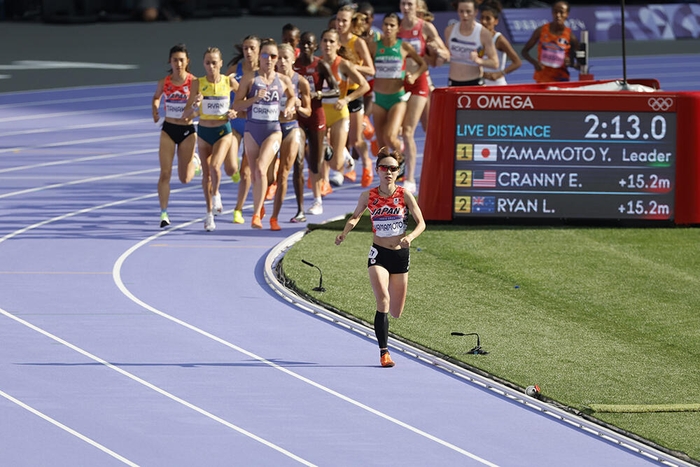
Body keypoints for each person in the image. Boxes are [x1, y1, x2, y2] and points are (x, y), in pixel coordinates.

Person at [335, 148, 426, 368]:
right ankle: (384, 353)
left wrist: (411, 237)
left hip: (400, 255)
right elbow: (355, 216)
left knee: (396, 312)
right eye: (384, 168)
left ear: (398, 172)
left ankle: (386, 333)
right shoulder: (368, 196)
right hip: (378, 254)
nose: (388, 172)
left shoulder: (404, 195)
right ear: (377, 170)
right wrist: (345, 232)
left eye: (393, 168)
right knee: (382, 300)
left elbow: (421, 223)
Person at [234, 39, 297, 229]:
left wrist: (290, 107)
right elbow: (237, 105)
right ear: (259, 57)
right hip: (252, 130)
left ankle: (255, 214)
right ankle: (259, 208)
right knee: (255, 174)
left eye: (273, 56)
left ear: (277, 59)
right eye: (265, 55)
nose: (269, 59)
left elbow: (293, 96)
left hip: (273, 130)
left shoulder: (283, 80)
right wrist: (254, 98)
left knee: (261, 168)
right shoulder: (249, 78)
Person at [182, 47, 237, 232]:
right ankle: (208, 215)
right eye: (207, 63)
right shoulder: (198, 83)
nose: (211, 66)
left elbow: (242, 98)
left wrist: (234, 110)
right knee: (206, 176)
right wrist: (195, 106)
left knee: (215, 166)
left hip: (223, 131)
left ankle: (217, 194)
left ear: (221, 63)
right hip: (204, 132)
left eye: (215, 63)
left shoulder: (229, 81)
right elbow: (186, 114)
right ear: (204, 64)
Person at [398, 0, 449, 195]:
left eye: (410, 4)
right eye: (403, 3)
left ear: (417, 6)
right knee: (405, 131)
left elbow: (444, 57)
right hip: (402, 83)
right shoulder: (396, 26)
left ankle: (438, 169)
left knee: (429, 129)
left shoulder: (425, 27)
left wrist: (437, 50)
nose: (406, 7)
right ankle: (409, 176)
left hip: (421, 81)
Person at [317, 28, 370, 213]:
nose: (328, 44)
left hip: (340, 113)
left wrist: (346, 99)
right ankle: (322, 185)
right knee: (320, 151)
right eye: (325, 41)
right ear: (321, 44)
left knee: (336, 164)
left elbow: (364, 85)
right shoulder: (316, 64)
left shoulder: (344, 64)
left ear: (338, 45)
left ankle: (346, 159)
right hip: (321, 113)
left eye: (332, 41)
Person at [151, 44, 200, 229]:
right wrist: (155, 110)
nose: (178, 63)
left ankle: (195, 162)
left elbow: (199, 108)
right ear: (170, 62)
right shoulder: (164, 82)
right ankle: (164, 213)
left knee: (185, 179)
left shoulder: (194, 82)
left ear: (187, 62)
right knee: (165, 173)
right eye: (175, 60)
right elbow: (156, 97)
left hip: (187, 131)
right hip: (169, 129)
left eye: (181, 60)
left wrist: (193, 113)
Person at [368, 13, 426, 163]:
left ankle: (401, 156)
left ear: (398, 28)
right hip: (378, 99)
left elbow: (423, 64)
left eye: (392, 25)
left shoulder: (404, 46)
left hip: (397, 98)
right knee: (382, 146)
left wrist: (413, 76)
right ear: (382, 26)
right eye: (386, 24)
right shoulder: (374, 46)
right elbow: (365, 65)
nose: (388, 28)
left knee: (390, 136)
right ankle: (389, 177)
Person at [293, 31, 336, 218]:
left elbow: (335, 89)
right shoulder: (293, 65)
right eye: (303, 43)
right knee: (299, 158)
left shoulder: (320, 65)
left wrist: (319, 94)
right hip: (300, 116)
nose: (305, 47)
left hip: (317, 116)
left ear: (315, 46)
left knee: (316, 163)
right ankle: (301, 205)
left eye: (309, 44)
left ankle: (317, 199)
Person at [269, 43, 312, 230]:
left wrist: (298, 107)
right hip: (271, 128)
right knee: (269, 176)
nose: (282, 62)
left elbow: (308, 111)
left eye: (286, 58)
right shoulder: (268, 79)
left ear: (293, 59)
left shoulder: (300, 81)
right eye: (279, 58)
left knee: (287, 172)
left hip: (291, 127)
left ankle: (282, 215)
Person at [336, 5, 376, 188]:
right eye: (338, 20)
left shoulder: (357, 42)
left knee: (354, 140)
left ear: (351, 23)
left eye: (344, 20)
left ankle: (366, 163)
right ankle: (346, 166)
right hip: (337, 93)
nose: (340, 24)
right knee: (334, 135)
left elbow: (371, 70)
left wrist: (351, 67)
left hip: (354, 92)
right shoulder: (332, 40)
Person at [226, 35, 260, 225]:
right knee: (231, 168)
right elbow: (221, 88)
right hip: (234, 124)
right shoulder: (235, 69)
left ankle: (238, 209)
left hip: (252, 127)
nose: (248, 52)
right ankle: (235, 171)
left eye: (252, 48)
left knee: (247, 173)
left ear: (259, 50)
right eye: (245, 48)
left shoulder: (262, 74)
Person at [521, 0, 580, 84]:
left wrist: (570, 63)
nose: (558, 15)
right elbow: (524, 52)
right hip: (542, 79)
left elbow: (579, 66)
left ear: (567, 14)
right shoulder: (541, 30)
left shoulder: (571, 37)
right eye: (555, 12)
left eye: (561, 12)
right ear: (552, 13)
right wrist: (535, 63)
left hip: (561, 80)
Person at [443, 0, 499, 87]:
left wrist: (479, 60)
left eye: (468, 11)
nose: (464, 15)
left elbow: (495, 63)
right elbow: (445, 56)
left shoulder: (483, 33)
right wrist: (441, 55)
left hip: (475, 83)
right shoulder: (449, 30)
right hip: (453, 82)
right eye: (461, 11)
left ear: (475, 12)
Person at [479, 0, 521, 85]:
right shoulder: (476, 36)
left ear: (496, 21)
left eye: (488, 18)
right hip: (479, 82)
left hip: (495, 83)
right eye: (482, 18)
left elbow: (517, 62)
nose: (484, 22)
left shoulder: (499, 39)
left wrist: (500, 73)